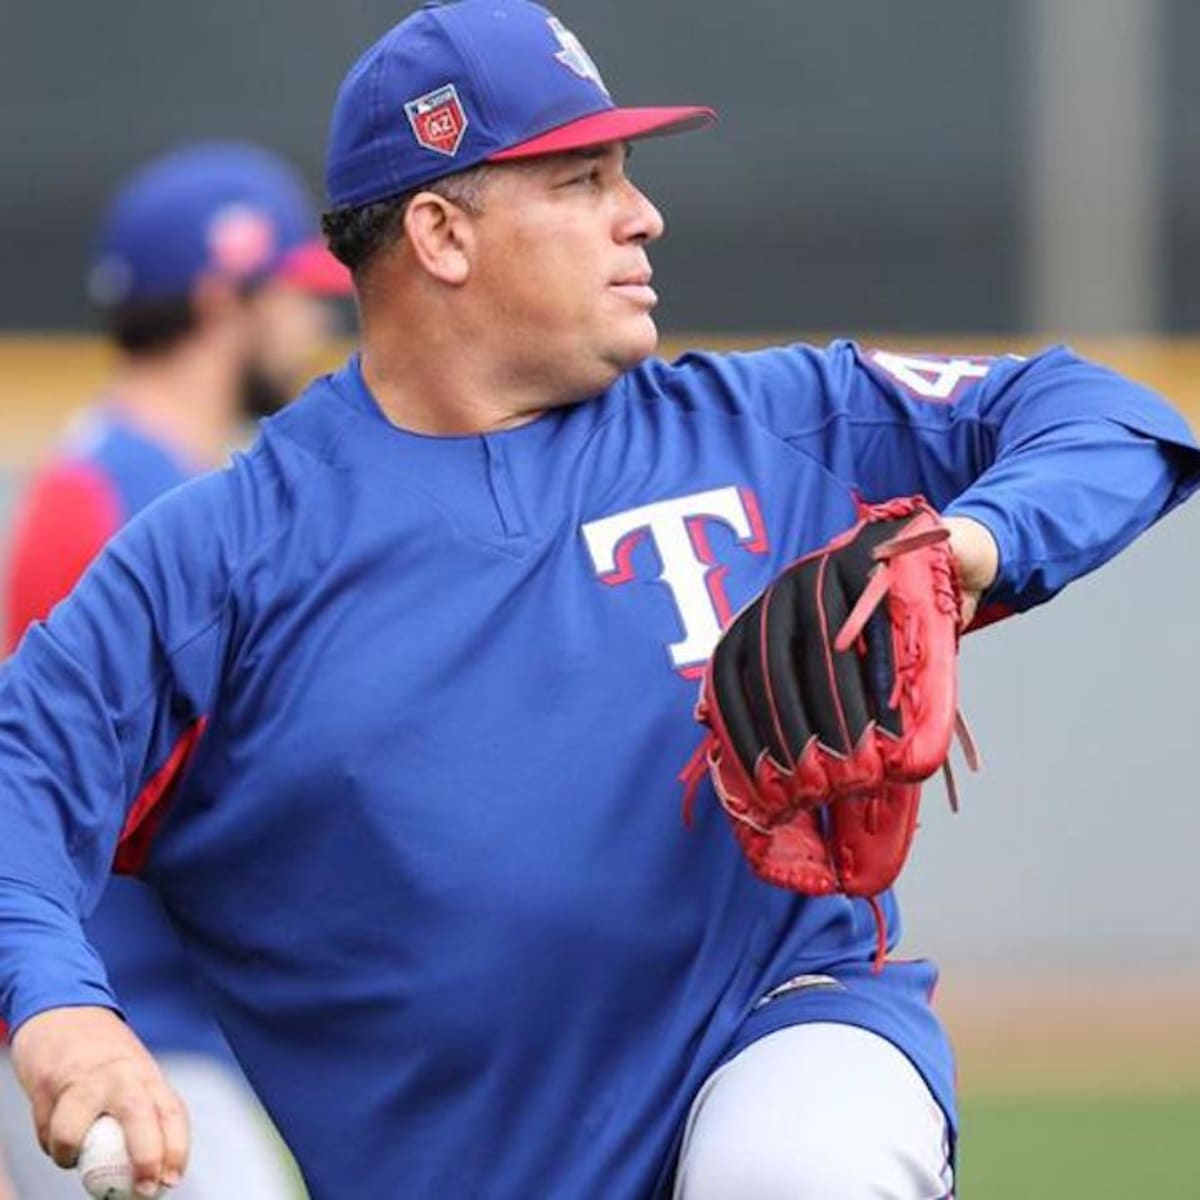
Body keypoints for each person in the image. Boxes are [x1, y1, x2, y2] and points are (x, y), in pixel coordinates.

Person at [0, 3, 1197, 1197]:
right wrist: (58, 1006)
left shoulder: (770, 425)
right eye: (582, 180)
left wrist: (976, 541)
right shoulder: (223, 557)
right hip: (461, 1161)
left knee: (794, 1167)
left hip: (787, 1026)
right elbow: (20, 781)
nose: (643, 214)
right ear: (441, 234)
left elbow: (1115, 418)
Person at [0, 141, 350, 1198]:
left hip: (188, 1026)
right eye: (289, 293)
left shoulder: (192, 487)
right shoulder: (103, 500)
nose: (313, 321)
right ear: (219, 297)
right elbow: (29, 784)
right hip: (117, 1030)